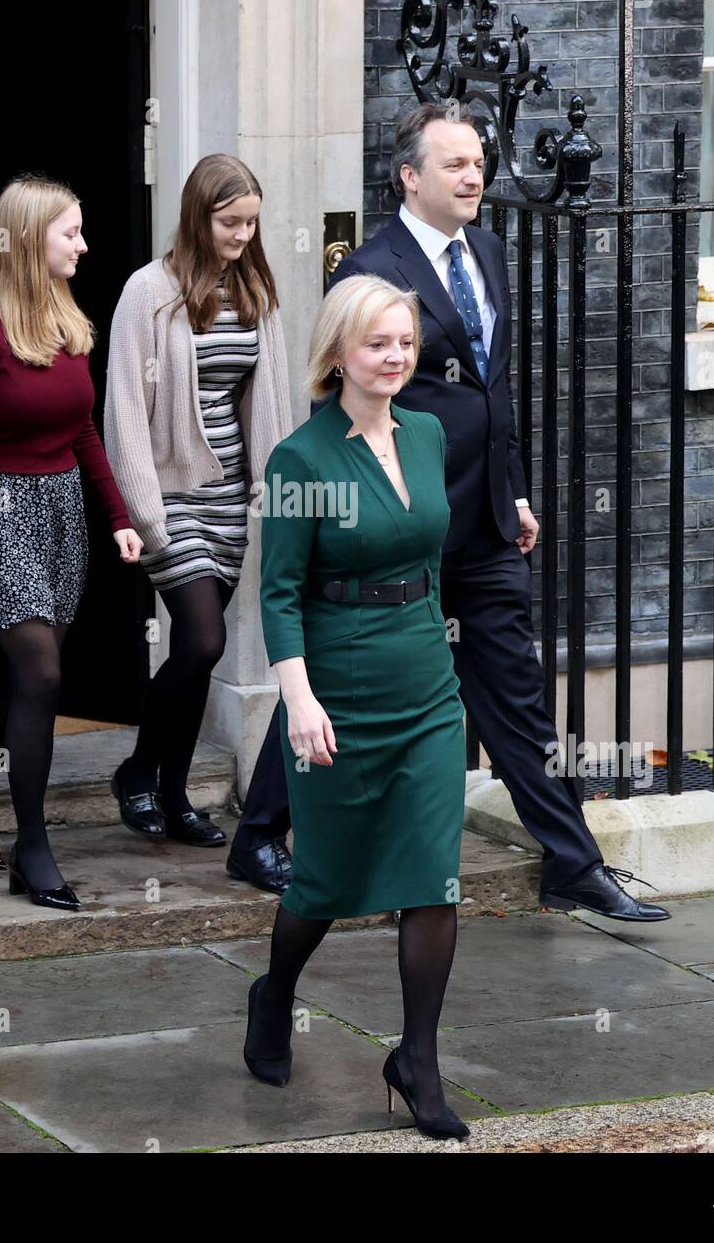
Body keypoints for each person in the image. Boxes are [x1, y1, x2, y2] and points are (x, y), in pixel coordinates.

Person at [231, 102, 669, 923]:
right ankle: (260, 830)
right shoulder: (369, 265)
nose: (474, 177)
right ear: (409, 176)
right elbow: (352, 395)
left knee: (513, 689)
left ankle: (571, 863)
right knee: (328, 675)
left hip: (485, 521)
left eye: (478, 163)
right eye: (455, 165)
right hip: (401, 521)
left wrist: (514, 488)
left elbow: (490, 390)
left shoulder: (491, 252)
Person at [243, 273, 471, 1140]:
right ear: (337, 352)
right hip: (334, 692)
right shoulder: (301, 457)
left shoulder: (425, 433)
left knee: (431, 878)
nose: (395, 357)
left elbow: (429, 559)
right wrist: (297, 699)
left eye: (405, 343)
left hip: (424, 691)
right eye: (377, 343)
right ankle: (274, 994)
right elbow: (279, 593)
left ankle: (417, 1058)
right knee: (324, 883)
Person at [0, 174, 142, 909]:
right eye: (69, 232)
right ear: (27, 239)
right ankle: (33, 848)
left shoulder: (67, 322)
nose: (83, 244)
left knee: (23, 678)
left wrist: (117, 516)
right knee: (41, 676)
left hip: (59, 510)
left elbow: (82, 431)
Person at [101, 155, 293, 845]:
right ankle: (141, 773)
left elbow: (267, 402)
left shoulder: (252, 290)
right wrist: (143, 512)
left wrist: (275, 490)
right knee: (204, 636)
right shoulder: (147, 292)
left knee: (196, 649)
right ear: (198, 215)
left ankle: (170, 793)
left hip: (228, 496)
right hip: (170, 492)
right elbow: (123, 407)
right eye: (230, 221)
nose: (243, 233)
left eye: (250, 221)